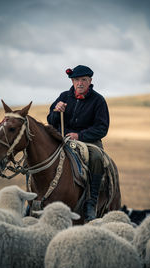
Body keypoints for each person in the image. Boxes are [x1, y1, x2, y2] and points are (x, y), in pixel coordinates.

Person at [47, 65, 110, 222]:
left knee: (96, 157)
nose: (79, 83)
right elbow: (50, 120)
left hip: (88, 141)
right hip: (63, 138)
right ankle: (36, 198)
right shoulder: (63, 96)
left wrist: (79, 135)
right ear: (72, 81)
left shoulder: (98, 100)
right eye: (76, 80)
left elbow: (102, 128)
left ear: (90, 81)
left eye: (83, 80)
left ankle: (91, 202)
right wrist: (56, 111)